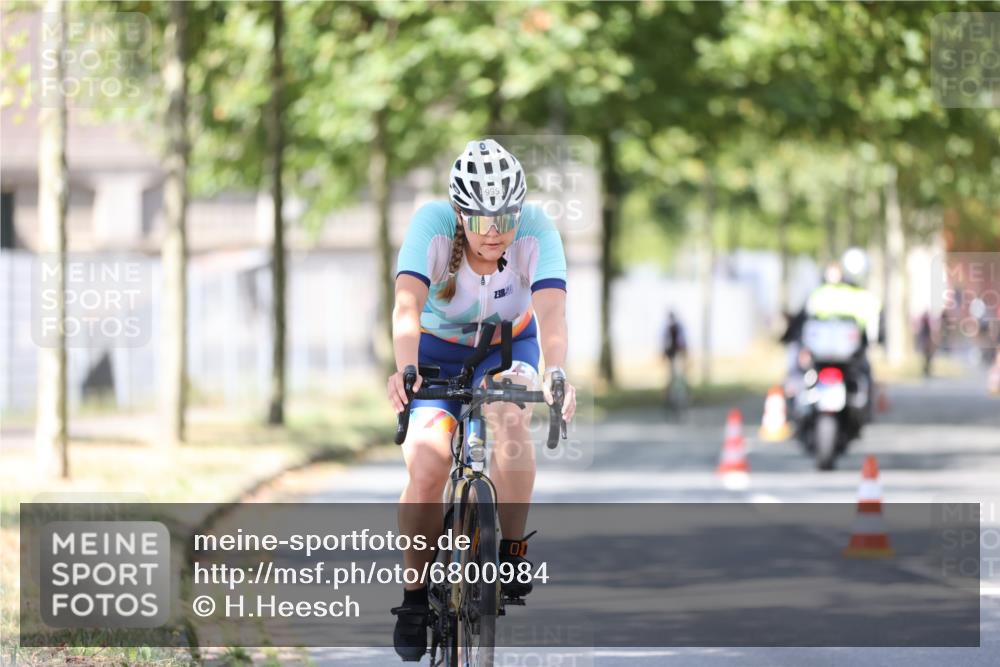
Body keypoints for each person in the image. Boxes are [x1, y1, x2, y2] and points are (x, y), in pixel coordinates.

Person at [386, 139, 577, 661]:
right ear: (459, 212)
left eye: (506, 217)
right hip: (435, 351)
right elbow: (407, 306)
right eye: (481, 218)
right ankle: (414, 596)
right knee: (427, 462)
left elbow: (551, 312)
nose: (495, 230)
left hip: (506, 346)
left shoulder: (536, 230)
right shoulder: (431, 226)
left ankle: (509, 551)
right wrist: (406, 365)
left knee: (510, 422)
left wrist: (556, 371)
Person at [802, 248, 881, 419]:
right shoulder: (863, 296)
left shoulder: (821, 293)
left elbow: (807, 317)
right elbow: (873, 325)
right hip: (842, 354)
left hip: (828, 353)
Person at [662, 309, 688, 401]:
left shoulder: (677, 327)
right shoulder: (669, 329)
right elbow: (666, 342)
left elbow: (682, 341)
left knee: (679, 376)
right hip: (672, 355)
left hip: (677, 354)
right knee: (672, 377)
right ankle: (670, 398)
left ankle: (683, 397)